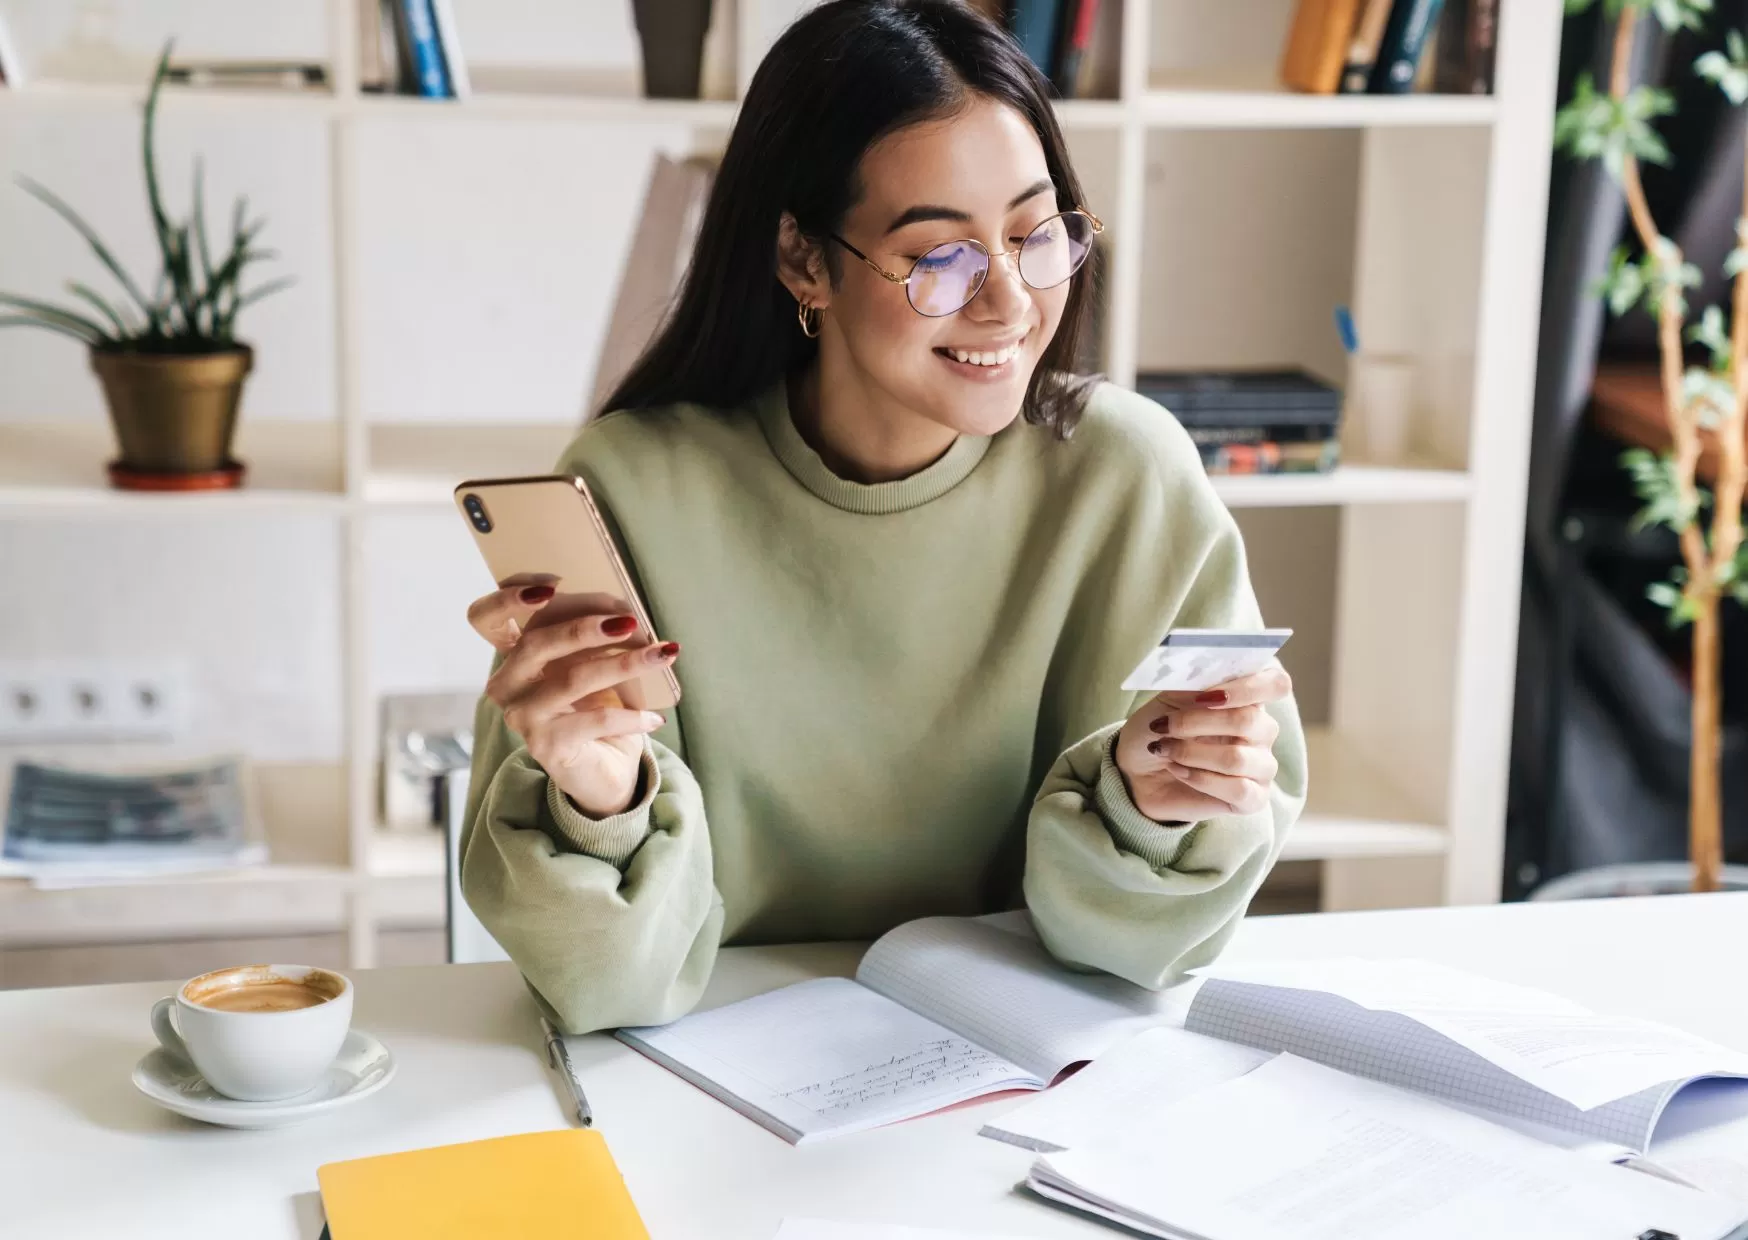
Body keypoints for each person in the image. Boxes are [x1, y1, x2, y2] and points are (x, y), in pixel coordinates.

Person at [459, 0, 1306, 1035]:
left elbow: (1135, 960)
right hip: (709, 1076)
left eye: (1035, 235)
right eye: (938, 256)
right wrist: (598, 795)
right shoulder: (633, 486)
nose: (1007, 302)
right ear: (802, 261)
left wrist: (1156, 804)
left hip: (1029, 1072)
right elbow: (610, 988)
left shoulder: (1127, 479)